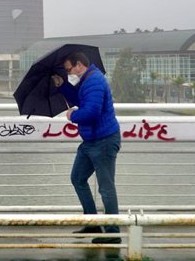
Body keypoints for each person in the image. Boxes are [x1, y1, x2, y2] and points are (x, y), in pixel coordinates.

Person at [52, 51, 121, 244]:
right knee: (78, 178)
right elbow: (79, 98)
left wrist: (72, 116)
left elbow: (90, 113)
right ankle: (92, 221)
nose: (68, 72)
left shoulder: (95, 82)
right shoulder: (87, 79)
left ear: (79, 65)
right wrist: (62, 85)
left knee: (106, 188)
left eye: (69, 69)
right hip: (90, 141)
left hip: (104, 141)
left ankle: (112, 231)